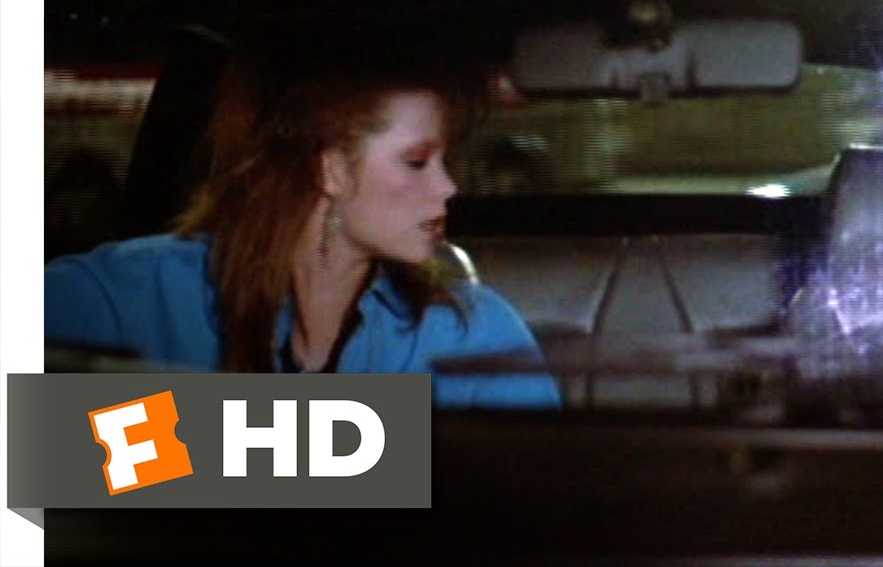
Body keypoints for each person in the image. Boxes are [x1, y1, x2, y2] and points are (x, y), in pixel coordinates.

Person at [44, 37, 560, 409]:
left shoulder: (471, 333)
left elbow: (532, 502)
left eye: (445, 161)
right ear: (330, 169)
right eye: (416, 162)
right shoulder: (122, 297)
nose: (447, 187)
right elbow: (34, 458)